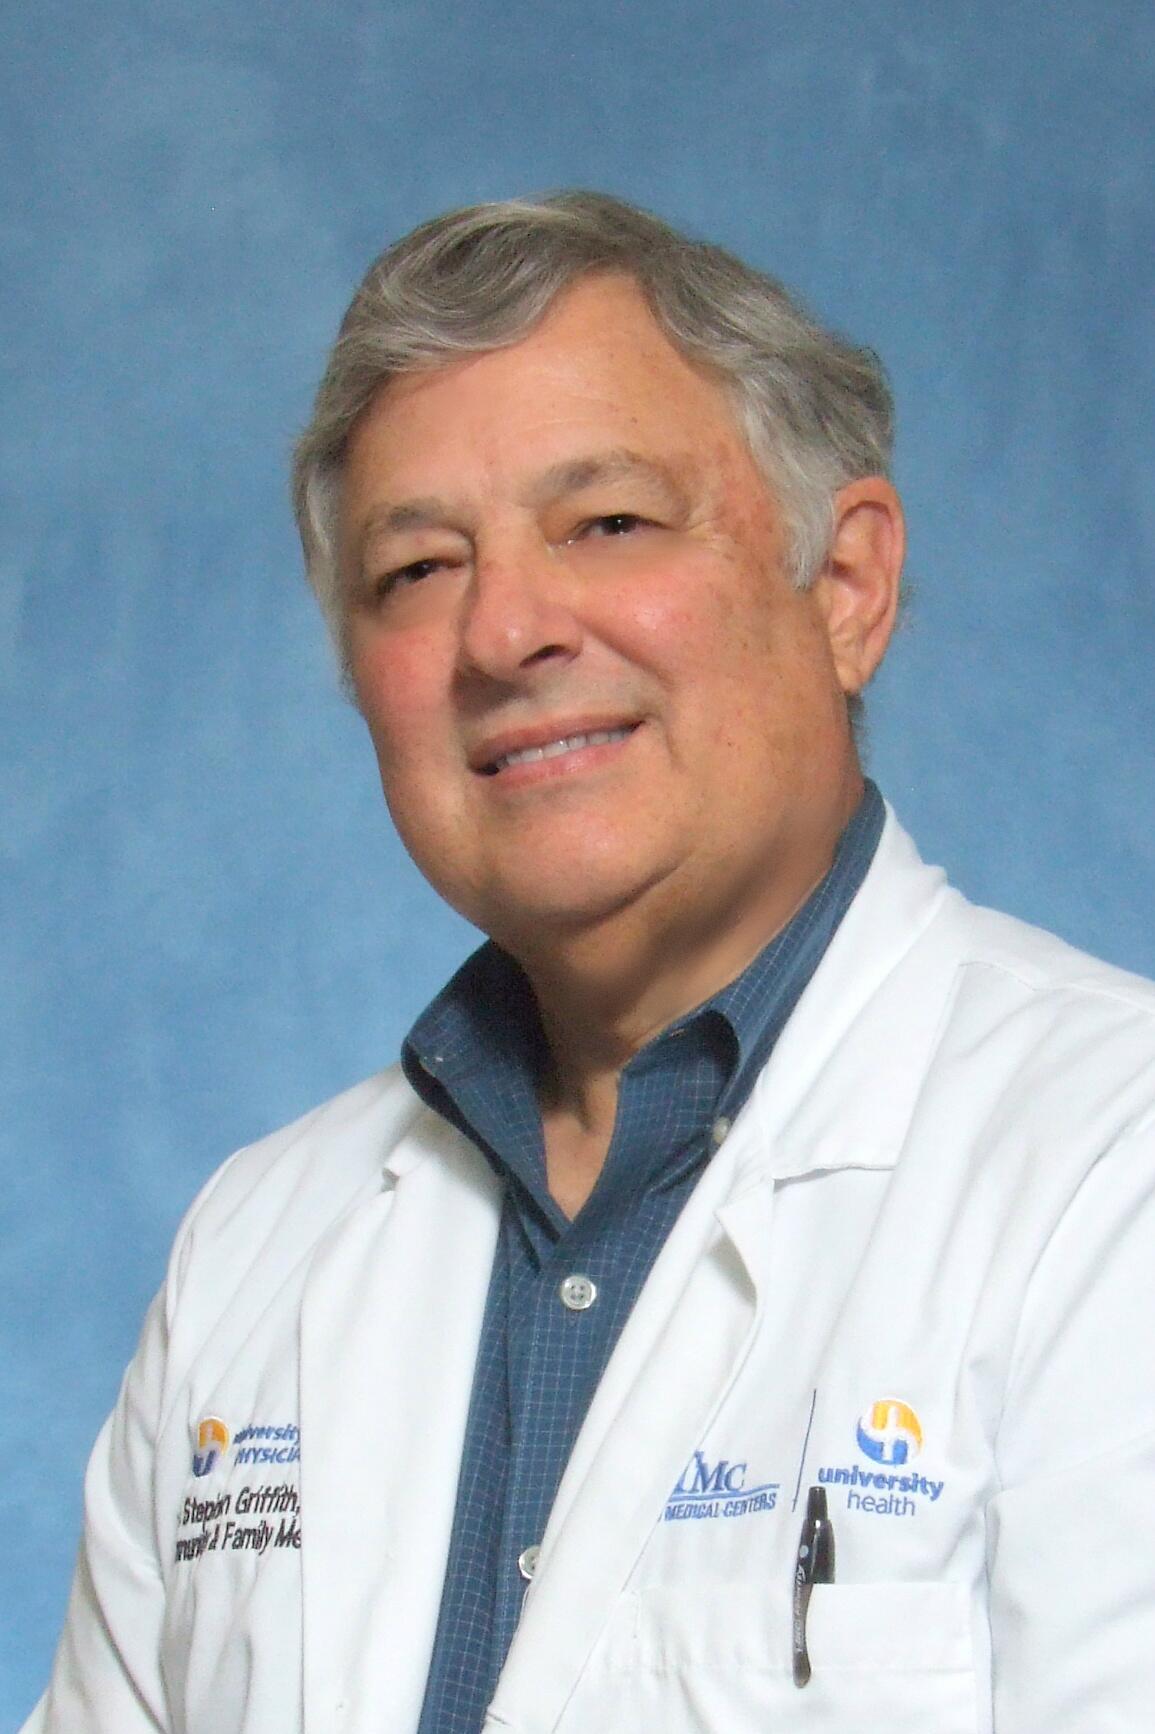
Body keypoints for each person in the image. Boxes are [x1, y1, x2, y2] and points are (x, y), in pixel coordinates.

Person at [25, 192, 1155, 1734]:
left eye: (606, 523)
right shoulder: (253, 1247)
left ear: (846, 586)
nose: (502, 633)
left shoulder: (1110, 1164)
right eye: (417, 569)